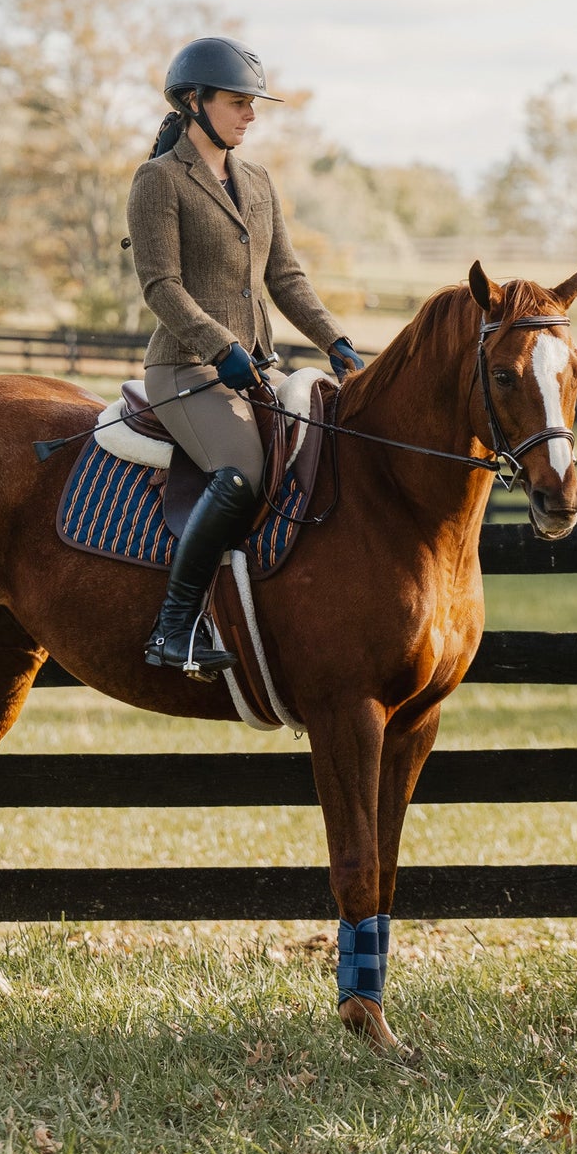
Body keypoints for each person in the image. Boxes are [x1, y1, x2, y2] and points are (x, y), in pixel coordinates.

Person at [127, 36, 365, 677]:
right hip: (185, 367)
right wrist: (221, 348)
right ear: (193, 102)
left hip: (254, 366)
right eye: (238, 103)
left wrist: (338, 344)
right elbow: (161, 288)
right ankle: (174, 628)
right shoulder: (158, 181)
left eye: (252, 104)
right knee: (242, 473)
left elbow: (285, 278)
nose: (251, 115)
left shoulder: (257, 181)